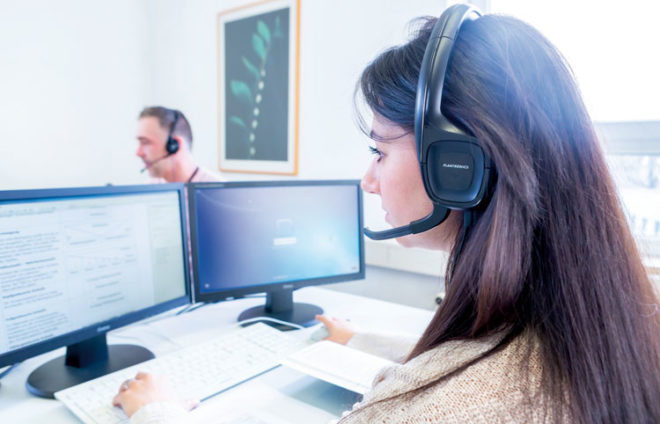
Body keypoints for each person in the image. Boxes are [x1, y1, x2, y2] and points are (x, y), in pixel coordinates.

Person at [115, 7, 660, 423]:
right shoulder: (604, 318)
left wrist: (154, 410)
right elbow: (475, 366)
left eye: (379, 150)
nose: (368, 179)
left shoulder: (435, 410)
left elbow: (456, 395)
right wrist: (365, 341)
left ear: (456, 166)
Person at [136, 106, 222, 183]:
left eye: (145, 142)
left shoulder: (221, 193)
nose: (138, 153)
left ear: (174, 146)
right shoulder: (150, 188)